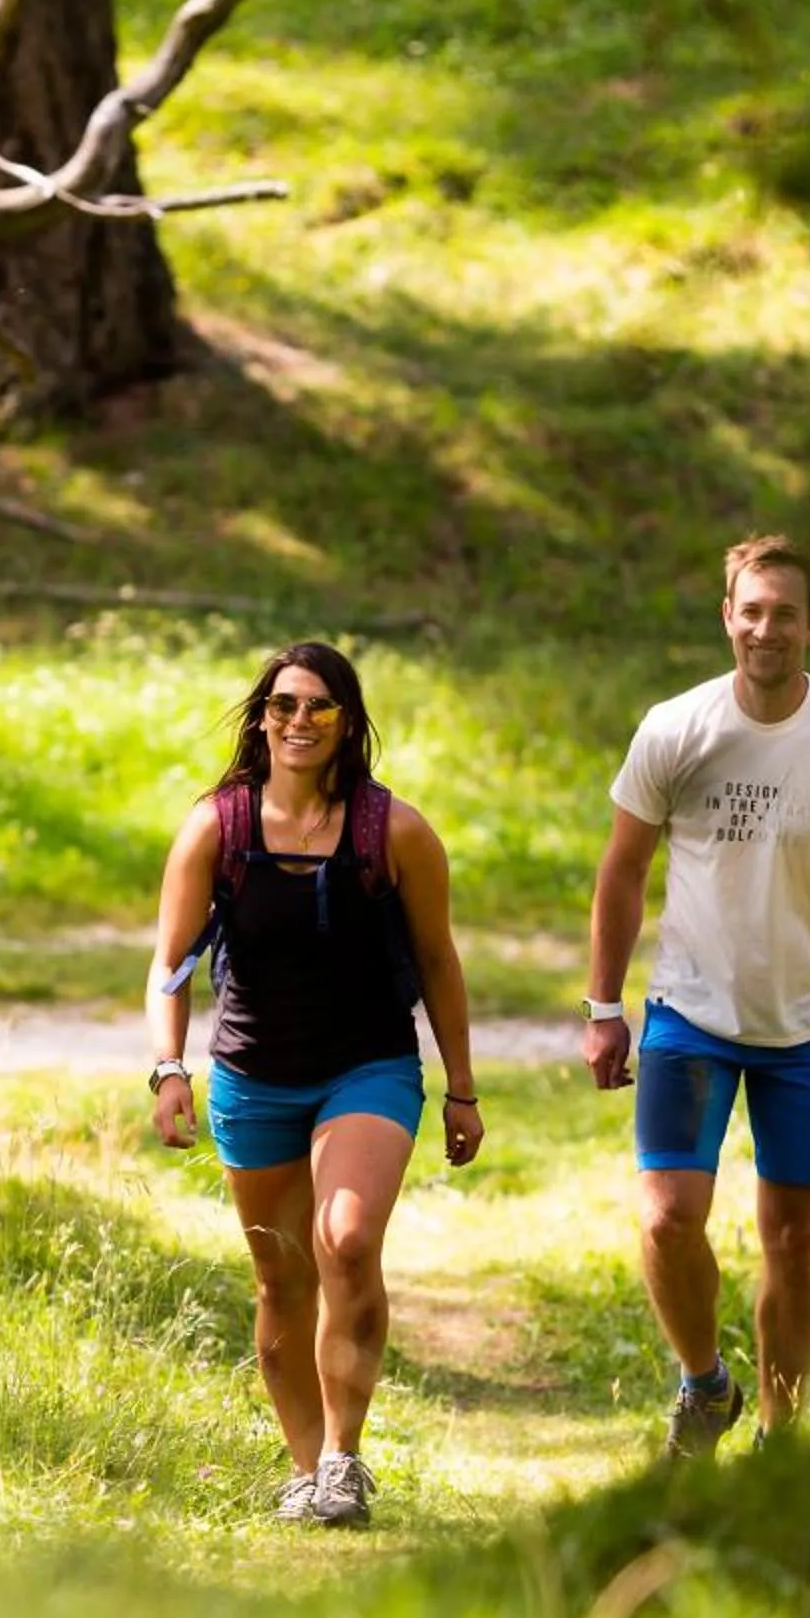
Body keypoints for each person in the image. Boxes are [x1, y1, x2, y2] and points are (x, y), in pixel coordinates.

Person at [581, 535, 810, 1459]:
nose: (765, 628)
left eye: (784, 613)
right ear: (727, 616)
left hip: (809, 1028)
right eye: (750, 609)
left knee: (794, 1239)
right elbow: (622, 871)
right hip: (691, 1017)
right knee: (666, 1216)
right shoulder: (676, 728)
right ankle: (705, 1384)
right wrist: (603, 1006)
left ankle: (780, 1432)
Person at [147, 642, 483, 1528]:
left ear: (347, 724)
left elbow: (441, 964)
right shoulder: (217, 828)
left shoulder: (395, 833)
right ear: (263, 716)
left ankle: (344, 1458)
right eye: (286, 705)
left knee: (345, 1238)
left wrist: (462, 1088)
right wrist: (170, 1068)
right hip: (253, 1078)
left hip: (366, 1067)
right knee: (281, 1280)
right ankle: (305, 1471)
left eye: (321, 708)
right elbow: (170, 965)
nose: (301, 721)